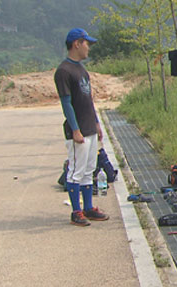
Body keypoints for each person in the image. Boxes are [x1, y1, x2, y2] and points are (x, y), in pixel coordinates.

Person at [54, 28, 109, 226]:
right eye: (87, 44)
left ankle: (88, 207)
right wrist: (75, 129)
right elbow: (66, 103)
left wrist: (96, 123)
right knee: (75, 171)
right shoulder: (64, 71)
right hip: (78, 130)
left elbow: (89, 100)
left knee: (88, 170)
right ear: (76, 44)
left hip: (89, 127)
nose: (89, 48)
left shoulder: (81, 70)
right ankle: (76, 211)